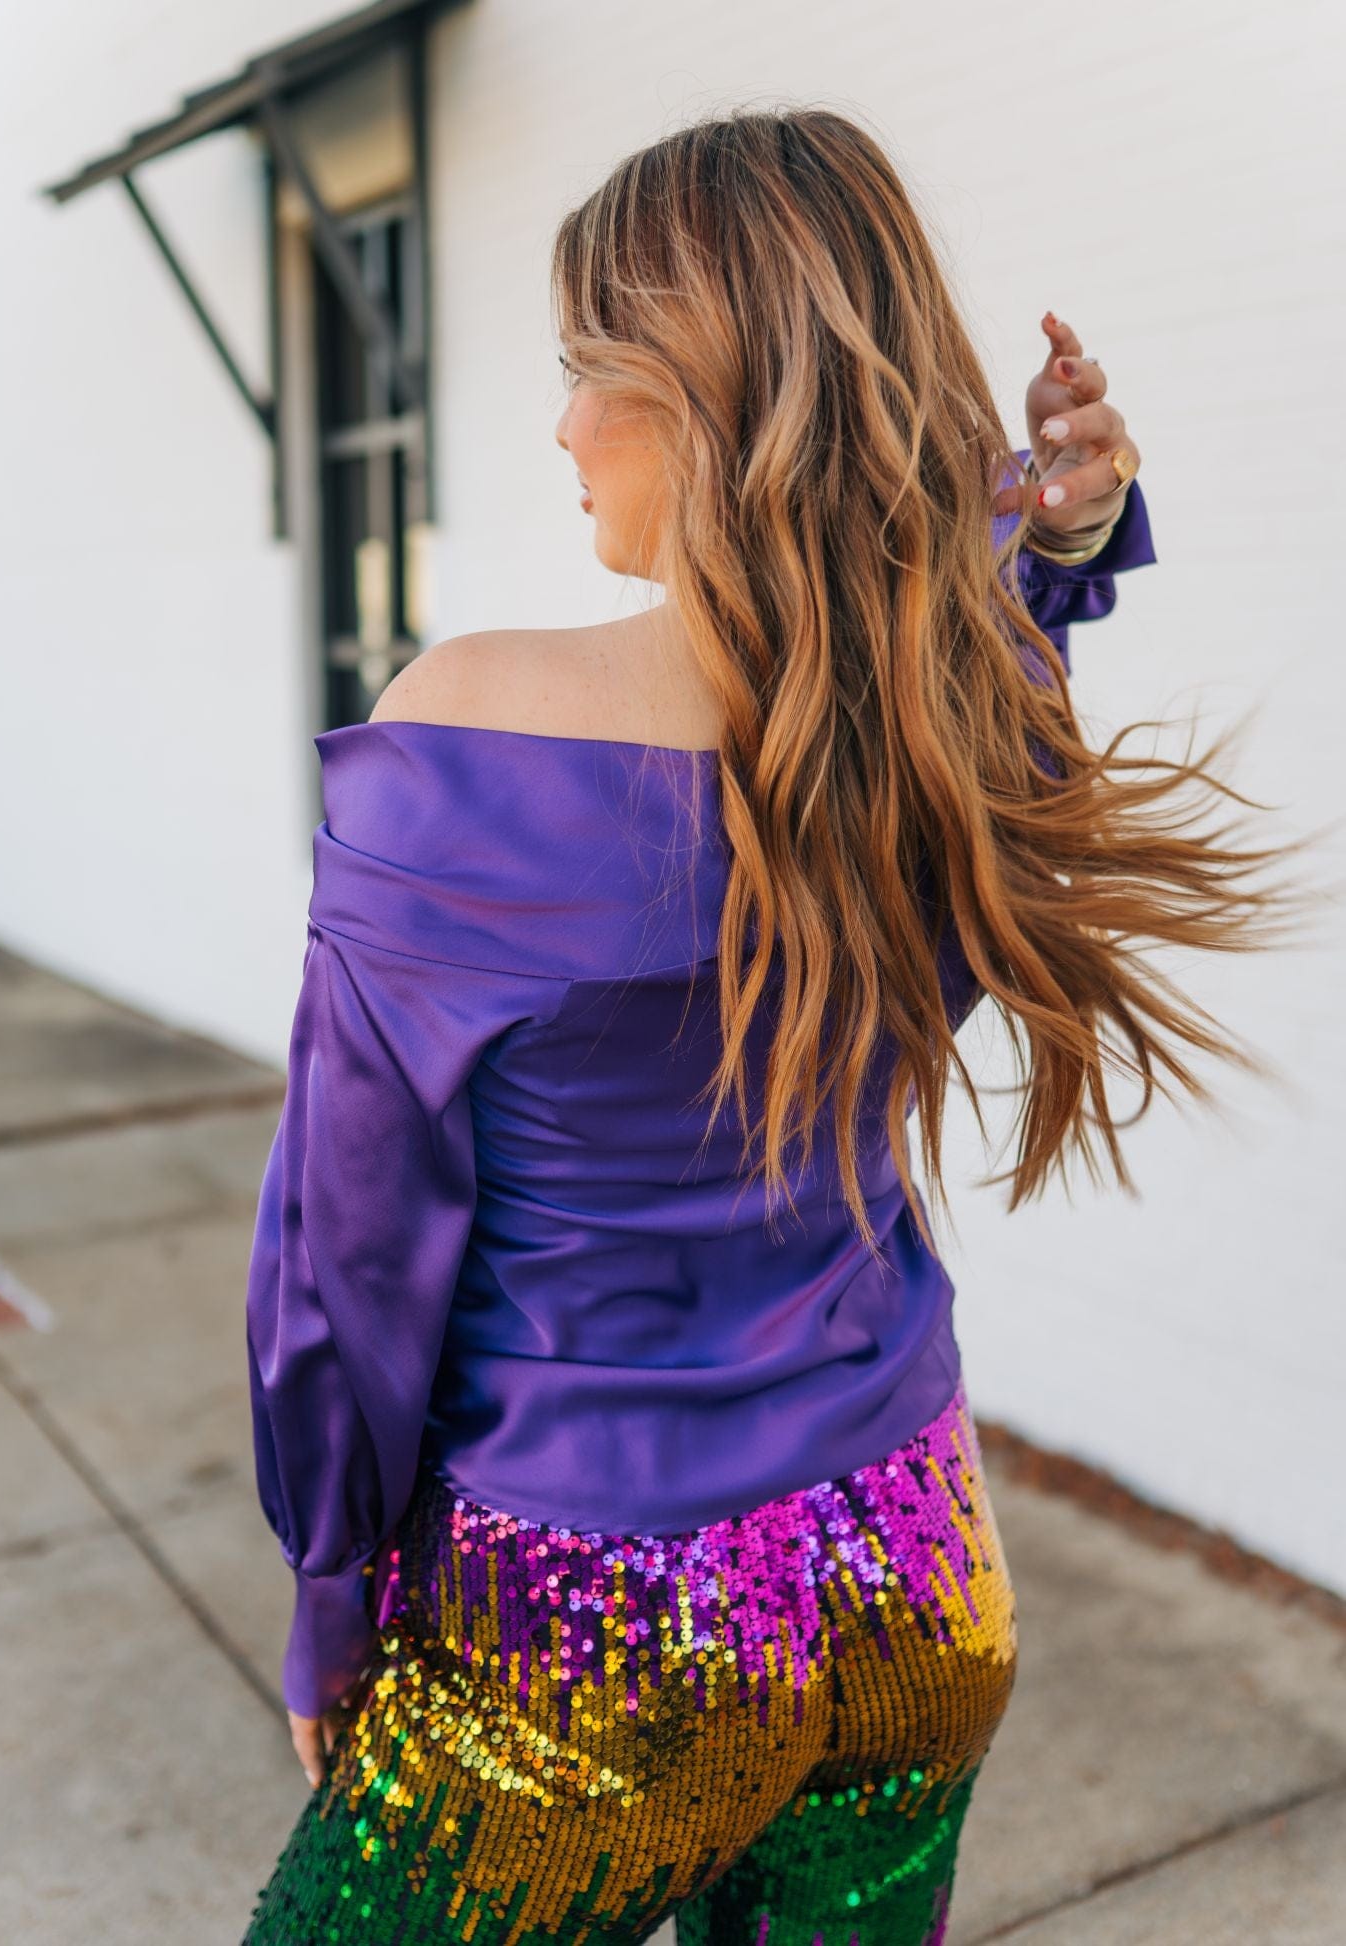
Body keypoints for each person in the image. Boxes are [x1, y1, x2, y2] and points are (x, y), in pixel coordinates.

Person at [242, 107, 1308, 1946]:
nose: (561, 427)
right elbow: (983, 630)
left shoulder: (465, 737)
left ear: (708, 394)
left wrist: (331, 1583)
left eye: (585, 369)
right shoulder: (942, 718)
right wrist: (1059, 530)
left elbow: (345, 1254)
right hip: (916, 1570)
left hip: (584, 1637)